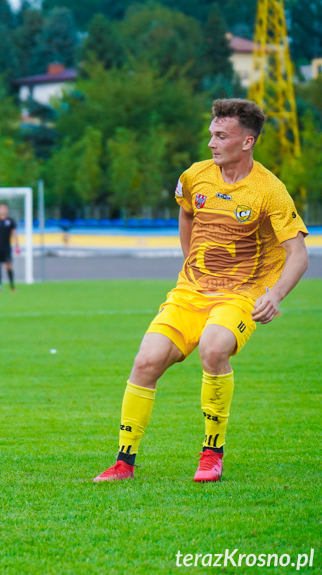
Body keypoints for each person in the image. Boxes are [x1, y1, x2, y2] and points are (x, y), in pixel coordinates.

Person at [94, 99, 309, 483]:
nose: (211, 142)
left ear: (247, 142)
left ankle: (212, 453)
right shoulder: (194, 177)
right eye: (211, 133)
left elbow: (298, 255)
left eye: (221, 136)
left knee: (213, 347)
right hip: (191, 292)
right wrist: (189, 264)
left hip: (240, 293)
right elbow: (187, 212)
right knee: (146, 361)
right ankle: (123, 462)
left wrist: (273, 295)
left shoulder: (269, 190)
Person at [0, 203, 20, 292]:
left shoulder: (10, 221)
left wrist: (17, 246)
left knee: (8, 266)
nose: (2, 210)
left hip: (7, 247)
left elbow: (14, 234)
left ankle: (12, 286)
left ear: (7, 210)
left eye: (3, 208)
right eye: (0, 208)